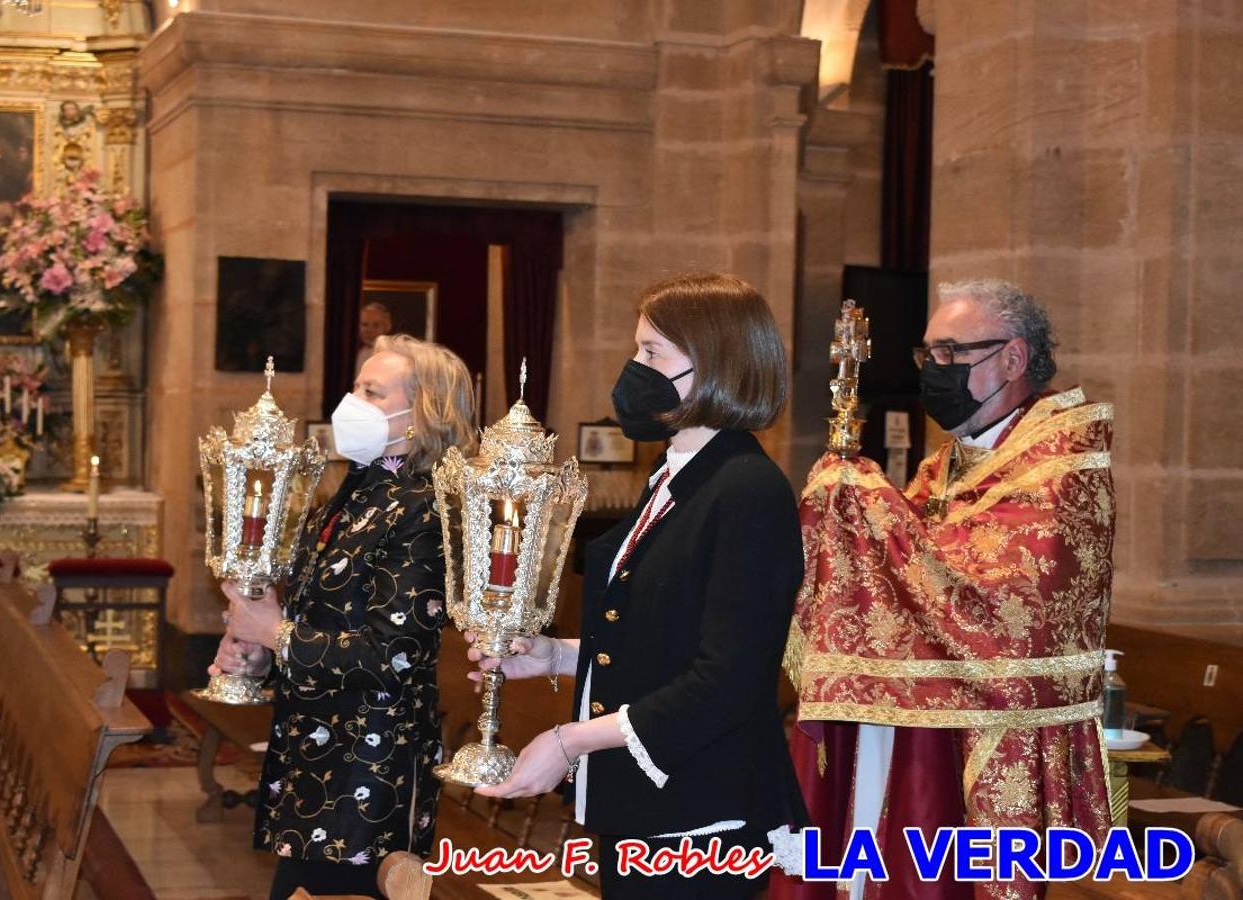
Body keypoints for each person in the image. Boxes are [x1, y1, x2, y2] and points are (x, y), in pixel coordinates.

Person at [470, 272, 810, 899]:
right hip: (649, 806)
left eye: (652, 353)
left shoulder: (746, 490)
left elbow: (726, 681)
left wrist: (568, 743)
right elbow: (655, 634)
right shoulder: (675, 473)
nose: (633, 369)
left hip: (703, 812)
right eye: (636, 350)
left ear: (716, 366)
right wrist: (555, 655)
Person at [774, 279, 1114, 900]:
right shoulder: (951, 463)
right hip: (914, 724)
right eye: (928, 355)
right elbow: (896, 575)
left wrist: (865, 501)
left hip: (992, 733)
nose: (936, 370)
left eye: (953, 353)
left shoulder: (1066, 465)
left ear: (1013, 358)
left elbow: (999, 599)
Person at [214, 334, 476, 900]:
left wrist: (275, 632)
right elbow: (320, 620)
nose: (350, 403)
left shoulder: (425, 510)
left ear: (423, 412)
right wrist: (260, 651)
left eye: (371, 392)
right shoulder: (355, 491)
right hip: (313, 747)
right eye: (356, 386)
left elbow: (392, 657)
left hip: (369, 767)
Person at [355, 301, 394, 375]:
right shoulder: (350, 353)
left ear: (387, 327)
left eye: (376, 325)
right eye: (365, 325)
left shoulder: (394, 355)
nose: (369, 330)